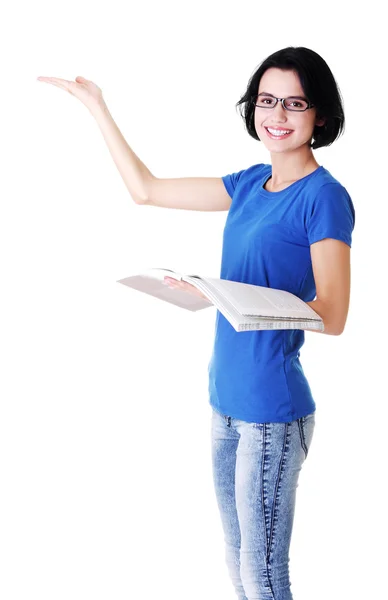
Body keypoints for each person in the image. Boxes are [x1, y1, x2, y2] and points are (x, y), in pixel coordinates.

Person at [37, 45, 355, 600]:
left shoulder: (324, 197)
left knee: (264, 577)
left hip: (271, 414)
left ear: (320, 116)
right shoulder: (250, 184)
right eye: (266, 100)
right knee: (239, 567)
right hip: (225, 402)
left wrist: (232, 294)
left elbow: (334, 314)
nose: (277, 115)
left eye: (295, 103)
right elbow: (146, 190)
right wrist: (97, 106)